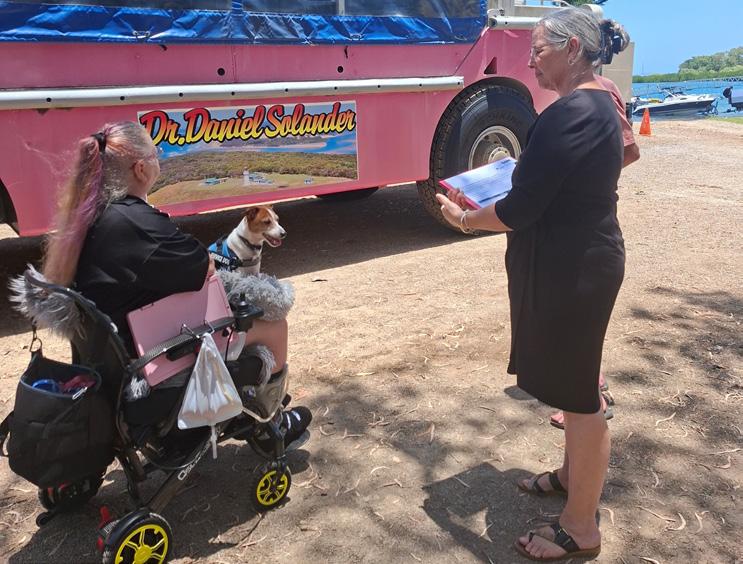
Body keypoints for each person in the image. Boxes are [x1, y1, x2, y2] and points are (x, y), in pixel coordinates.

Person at [437, 8, 627, 561]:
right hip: (579, 261)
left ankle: (580, 528)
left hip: (575, 269)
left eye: (538, 50)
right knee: (573, 385)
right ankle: (571, 478)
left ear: (572, 50)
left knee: (581, 399)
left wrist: (464, 219)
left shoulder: (573, 111)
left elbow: (519, 208)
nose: (529, 61)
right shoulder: (598, 102)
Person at [41, 121, 310, 445]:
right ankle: (270, 424)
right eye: (156, 154)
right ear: (141, 169)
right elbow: (204, 266)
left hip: (116, 358)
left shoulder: (92, 215)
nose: (159, 159)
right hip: (153, 361)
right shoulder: (139, 224)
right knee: (274, 325)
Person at [548, 70, 640, 430]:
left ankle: (591, 397)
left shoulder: (599, 93)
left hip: (589, 236)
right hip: (568, 232)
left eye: (539, 50)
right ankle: (586, 390)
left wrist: (582, 183)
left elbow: (628, 150)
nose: (531, 61)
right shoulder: (572, 94)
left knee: (581, 319)